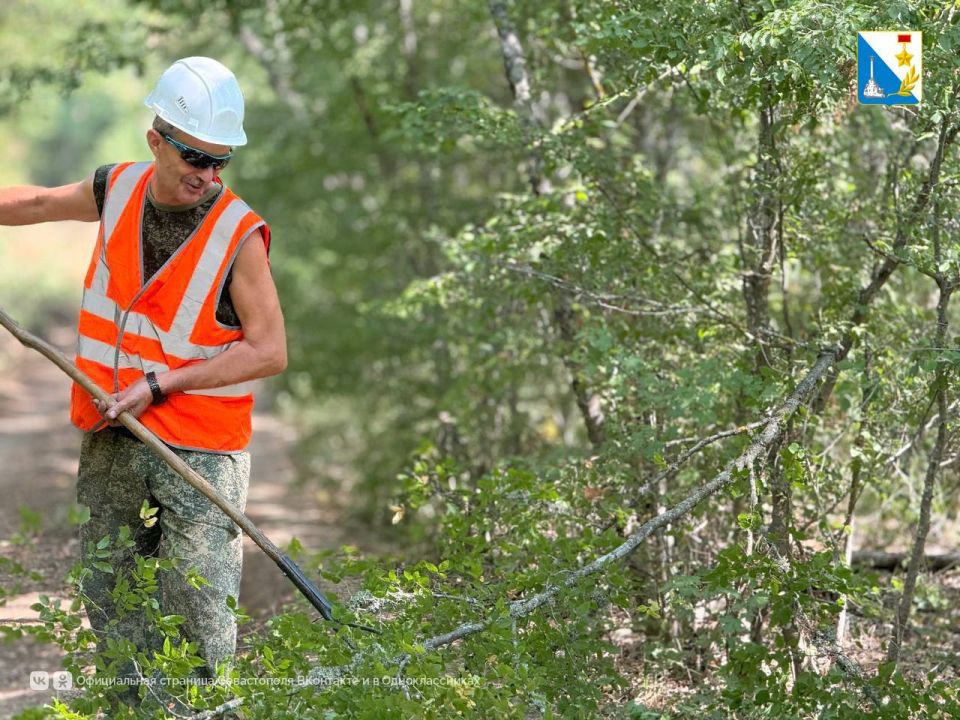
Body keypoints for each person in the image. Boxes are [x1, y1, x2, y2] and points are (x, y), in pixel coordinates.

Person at [0, 57, 286, 699]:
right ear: (156, 140)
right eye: (194, 156)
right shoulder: (117, 186)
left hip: (201, 449)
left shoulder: (238, 233)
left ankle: (202, 711)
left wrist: (162, 384)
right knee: (111, 592)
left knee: (198, 605)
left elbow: (269, 351)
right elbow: (40, 202)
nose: (206, 174)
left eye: (220, 161)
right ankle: (129, 709)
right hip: (112, 427)